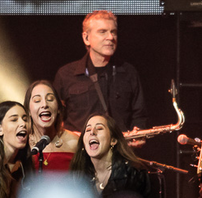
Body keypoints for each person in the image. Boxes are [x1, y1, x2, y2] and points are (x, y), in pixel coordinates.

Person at [52, 10, 147, 138]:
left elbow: (139, 115)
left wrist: (139, 132)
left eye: (113, 32)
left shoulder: (129, 72)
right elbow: (55, 118)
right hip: (79, 153)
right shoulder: (65, 75)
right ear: (86, 38)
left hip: (117, 153)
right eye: (103, 32)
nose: (111, 37)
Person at [24, 80, 79, 172]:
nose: (44, 105)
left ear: (58, 108)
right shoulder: (22, 143)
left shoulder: (74, 142)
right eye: (37, 100)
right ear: (28, 111)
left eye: (50, 99)